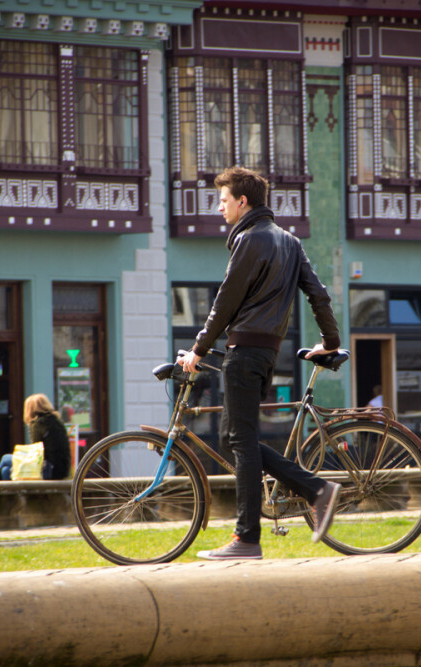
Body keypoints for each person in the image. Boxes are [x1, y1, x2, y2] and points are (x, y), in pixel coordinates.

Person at [177, 166, 342, 560]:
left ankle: (248, 537)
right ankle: (312, 491)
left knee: (242, 442)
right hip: (267, 352)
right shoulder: (289, 241)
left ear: (242, 202)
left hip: (245, 351)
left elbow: (226, 300)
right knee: (237, 437)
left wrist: (199, 348)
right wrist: (330, 341)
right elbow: (318, 295)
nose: (220, 209)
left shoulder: (250, 239)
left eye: (223, 201)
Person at [0, 394, 71, 480]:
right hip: (62, 470)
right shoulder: (57, 421)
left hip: (47, 469)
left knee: (5, 458)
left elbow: (35, 451)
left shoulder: (38, 424)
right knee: (5, 471)